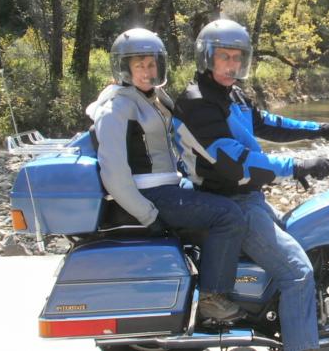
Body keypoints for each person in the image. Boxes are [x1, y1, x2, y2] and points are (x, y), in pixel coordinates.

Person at [172, 19, 329, 351]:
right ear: (206, 57)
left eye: (237, 57)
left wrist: (323, 130)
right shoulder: (198, 104)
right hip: (229, 198)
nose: (232, 64)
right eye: (224, 57)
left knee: (307, 247)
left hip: (247, 196)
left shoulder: (230, 93)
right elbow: (238, 164)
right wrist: (299, 165)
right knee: (297, 274)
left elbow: (270, 123)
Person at [86, 27, 247, 321]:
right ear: (124, 68)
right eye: (139, 66)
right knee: (229, 215)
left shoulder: (155, 98)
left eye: (151, 64)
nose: (147, 72)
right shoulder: (118, 107)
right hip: (151, 192)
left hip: (171, 184)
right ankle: (213, 296)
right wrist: (147, 214)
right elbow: (114, 172)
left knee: (224, 200)